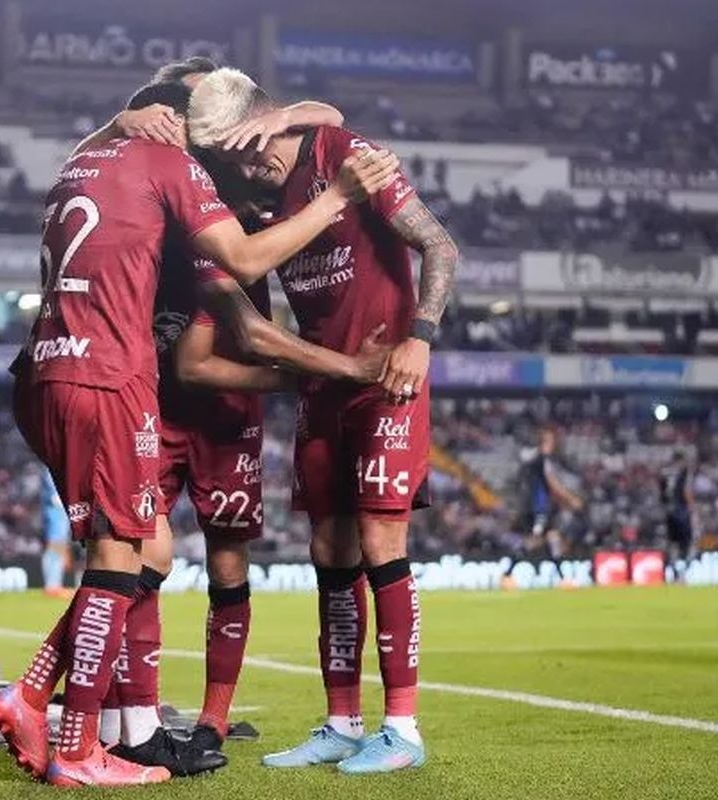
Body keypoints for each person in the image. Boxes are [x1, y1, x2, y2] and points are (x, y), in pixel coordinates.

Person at [0, 79, 399, 788]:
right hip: (109, 377)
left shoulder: (86, 160)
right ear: (188, 128)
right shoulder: (172, 167)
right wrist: (337, 200)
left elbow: (318, 115)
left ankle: (54, 704)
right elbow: (241, 270)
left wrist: (118, 116)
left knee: (147, 554)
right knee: (120, 562)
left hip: (43, 371)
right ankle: (74, 740)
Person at [188, 67, 461, 774]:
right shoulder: (249, 202)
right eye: (234, 158)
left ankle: (402, 729)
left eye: (254, 146)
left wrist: (419, 337)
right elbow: (245, 323)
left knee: (378, 539)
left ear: (272, 119)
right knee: (329, 554)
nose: (252, 164)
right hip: (322, 392)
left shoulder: (341, 153)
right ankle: (342, 722)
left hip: (388, 385)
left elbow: (441, 244)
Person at [520, 427, 583, 559]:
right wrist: (571, 499)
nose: (553, 444)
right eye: (550, 441)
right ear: (543, 442)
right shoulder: (540, 459)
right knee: (534, 540)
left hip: (542, 505)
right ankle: (507, 573)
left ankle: (561, 577)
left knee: (553, 536)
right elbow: (552, 482)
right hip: (537, 507)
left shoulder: (540, 459)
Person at [40, 466, 74, 599]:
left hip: (56, 505)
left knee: (57, 543)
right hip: (57, 506)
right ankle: (52, 585)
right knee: (56, 543)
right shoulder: (54, 464)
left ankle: (53, 584)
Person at [661, 450, 696, 569]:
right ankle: (682, 569)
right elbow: (687, 491)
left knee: (672, 543)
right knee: (687, 542)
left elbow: (662, 495)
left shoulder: (665, 474)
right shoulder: (685, 473)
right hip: (681, 511)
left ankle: (673, 568)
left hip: (669, 512)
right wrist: (692, 510)